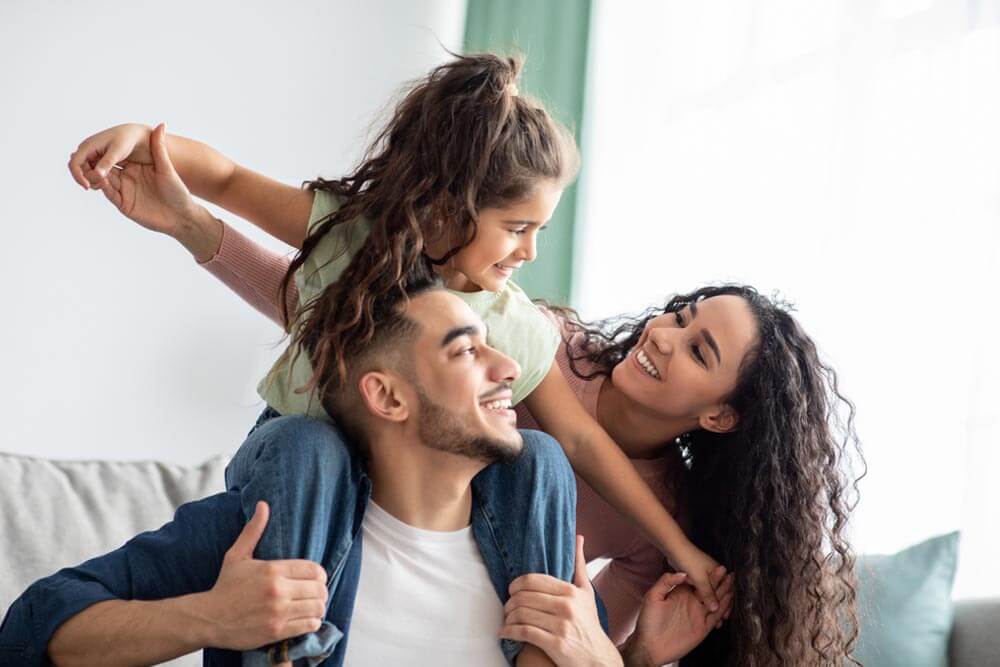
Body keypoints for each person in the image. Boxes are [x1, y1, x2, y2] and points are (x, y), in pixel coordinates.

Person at [68, 52, 725, 663]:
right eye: (517, 228)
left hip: (418, 491)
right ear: (450, 206)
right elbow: (233, 181)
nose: (529, 252)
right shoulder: (355, 238)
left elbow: (579, 438)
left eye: (540, 231)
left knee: (542, 455)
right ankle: (290, 649)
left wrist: (681, 549)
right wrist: (143, 142)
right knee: (309, 445)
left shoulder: (512, 324)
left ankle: (538, 650)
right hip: (296, 466)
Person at [1, 279, 638, 666]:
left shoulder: (542, 559)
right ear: (388, 398)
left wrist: (605, 659)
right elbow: (34, 627)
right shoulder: (269, 533)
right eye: (468, 350)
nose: (507, 369)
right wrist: (211, 618)